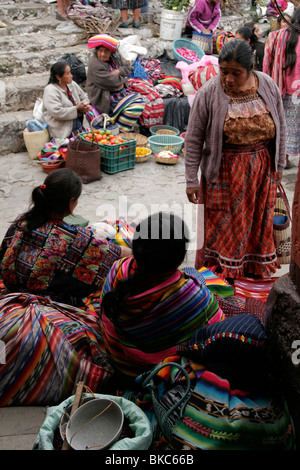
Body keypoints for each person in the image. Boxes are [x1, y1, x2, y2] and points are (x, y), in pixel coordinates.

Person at [185, 39, 286, 281]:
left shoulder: (268, 85)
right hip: (224, 174)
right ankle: (223, 281)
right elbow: (193, 138)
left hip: (262, 172)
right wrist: (191, 179)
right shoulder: (209, 92)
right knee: (225, 231)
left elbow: (280, 124)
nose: (228, 79)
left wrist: (279, 165)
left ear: (251, 68)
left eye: (236, 73)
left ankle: (251, 277)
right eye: (224, 71)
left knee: (257, 225)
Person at [100, 212, 223, 381]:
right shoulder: (193, 296)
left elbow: (104, 315)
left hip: (120, 362)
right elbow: (219, 328)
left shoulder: (118, 269)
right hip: (157, 374)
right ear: (179, 259)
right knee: (194, 273)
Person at [0, 168, 131, 307]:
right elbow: (118, 253)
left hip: (11, 292)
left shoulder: (22, 220)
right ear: (71, 202)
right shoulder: (74, 238)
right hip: (44, 306)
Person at [86, 34, 145, 133]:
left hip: (120, 93)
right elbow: (112, 82)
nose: (103, 54)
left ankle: (121, 129)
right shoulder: (95, 65)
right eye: (100, 51)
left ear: (111, 52)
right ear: (96, 51)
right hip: (106, 100)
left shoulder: (116, 57)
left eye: (106, 51)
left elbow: (128, 68)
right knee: (137, 105)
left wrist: (118, 72)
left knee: (140, 101)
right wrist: (124, 78)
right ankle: (121, 131)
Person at [263, 8, 300, 167]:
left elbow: (267, 63)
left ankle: (279, 158)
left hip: (277, 88)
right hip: (296, 92)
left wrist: (264, 88)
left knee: (278, 124)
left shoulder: (275, 36)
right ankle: (284, 158)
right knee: (293, 127)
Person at [42, 61, 90, 140]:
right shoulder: (50, 90)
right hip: (64, 131)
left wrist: (84, 105)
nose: (71, 75)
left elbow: (85, 97)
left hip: (80, 125)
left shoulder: (72, 84)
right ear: (58, 77)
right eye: (68, 73)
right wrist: (76, 108)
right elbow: (57, 113)